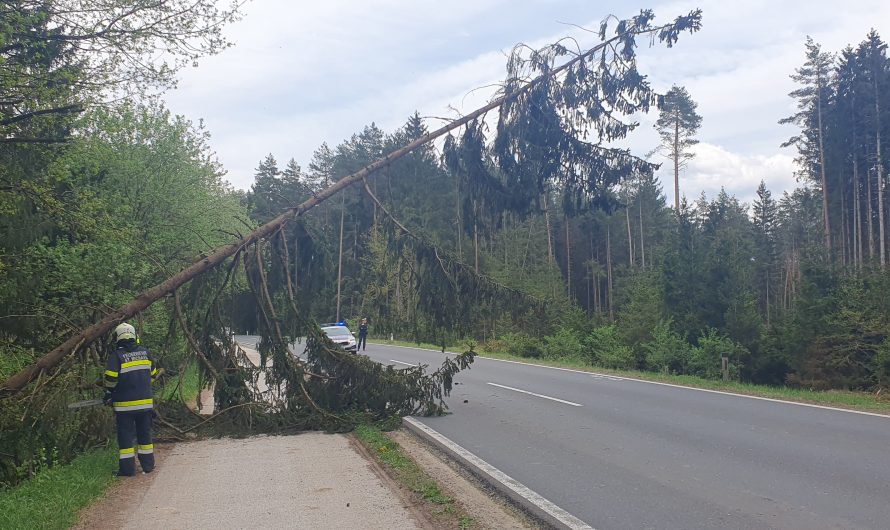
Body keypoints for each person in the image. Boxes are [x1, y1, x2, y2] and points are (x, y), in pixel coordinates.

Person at [104, 322, 158, 476]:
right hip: (145, 405)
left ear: (118, 337)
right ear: (135, 336)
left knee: (126, 438)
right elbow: (152, 375)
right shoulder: (145, 353)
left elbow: (110, 379)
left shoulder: (116, 356)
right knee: (145, 435)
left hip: (124, 407)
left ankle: (128, 470)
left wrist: (109, 393)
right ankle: (148, 466)